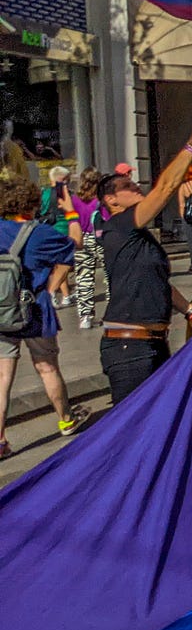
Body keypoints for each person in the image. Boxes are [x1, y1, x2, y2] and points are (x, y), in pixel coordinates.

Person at [96, 124, 192, 403]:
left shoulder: (138, 235)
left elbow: (158, 283)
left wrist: (191, 312)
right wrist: (191, 147)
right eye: (126, 186)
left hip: (154, 342)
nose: (135, 186)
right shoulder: (119, 225)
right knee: (133, 423)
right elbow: (165, 188)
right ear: (110, 200)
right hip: (128, 347)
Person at [0, 177, 79, 457]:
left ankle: (0, 440)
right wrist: (71, 213)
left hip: (2, 311)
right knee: (47, 367)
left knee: (2, 376)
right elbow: (75, 245)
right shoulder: (40, 233)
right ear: (32, 203)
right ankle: (66, 420)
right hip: (35, 309)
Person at [69, 167, 105, 331]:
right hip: (101, 238)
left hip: (81, 238)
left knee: (84, 277)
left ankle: (85, 316)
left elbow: (71, 220)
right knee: (110, 275)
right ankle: (113, 312)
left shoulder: (75, 200)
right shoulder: (101, 199)